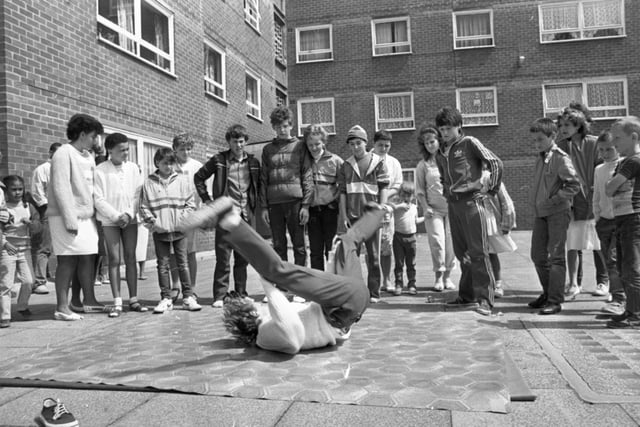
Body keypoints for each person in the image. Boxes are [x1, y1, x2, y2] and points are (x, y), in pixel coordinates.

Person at [178, 196, 389, 354]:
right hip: (343, 307)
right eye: (256, 306)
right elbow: (291, 340)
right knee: (277, 271)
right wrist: (270, 287)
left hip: (350, 302)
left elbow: (320, 295)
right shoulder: (265, 335)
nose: (260, 305)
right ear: (251, 317)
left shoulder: (269, 329)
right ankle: (231, 220)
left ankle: (377, 212)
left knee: (347, 242)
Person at [434, 107, 503, 316]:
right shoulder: (440, 153)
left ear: (459, 127)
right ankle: (467, 296)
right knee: (461, 252)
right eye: (441, 129)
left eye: (448, 129)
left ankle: (485, 300)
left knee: (478, 252)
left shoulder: (469, 143)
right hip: (453, 206)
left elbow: (495, 162)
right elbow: (444, 178)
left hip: (472, 203)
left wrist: (491, 190)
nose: (444, 133)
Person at [194, 124, 260, 308]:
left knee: (242, 258)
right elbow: (199, 177)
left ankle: (241, 293)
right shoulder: (219, 160)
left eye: (241, 141)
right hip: (225, 216)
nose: (238, 145)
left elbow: (258, 187)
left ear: (245, 141)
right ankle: (219, 296)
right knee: (223, 257)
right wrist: (207, 200)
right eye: (234, 142)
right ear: (229, 142)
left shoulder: (253, 163)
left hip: (245, 215)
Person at [48, 113, 105, 320]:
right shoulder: (64, 153)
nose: (95, 141)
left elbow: (90, 187)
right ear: (82, 134)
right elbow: (61, 187)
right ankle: (62, 307)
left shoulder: (87, 155)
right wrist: (69, 219)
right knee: (67, 260)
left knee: (89, 255)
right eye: (93, 136)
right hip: (65, 216)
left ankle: (86, 300)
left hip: (85, 215)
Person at [528, 118, 580, 315]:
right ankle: (548, 292)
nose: (537, 143)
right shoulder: (540, 158)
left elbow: (574, 185)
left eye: (540, 139)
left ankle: (555, 300)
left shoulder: (560, 157)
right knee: (537, 255)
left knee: (556, 256)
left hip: (557, 212)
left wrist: (554, 199)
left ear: (553, 136)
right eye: (534, 140)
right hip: (541, 214)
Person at [140, 147, 200, 313]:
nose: (168, 166)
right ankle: (166, 298)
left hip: (179, 230)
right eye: (165, 163)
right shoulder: (148, 183)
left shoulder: (182, 181)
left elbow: (190, 204)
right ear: (157, 163)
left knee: (183, 263)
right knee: (163, 265)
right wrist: (154, 223)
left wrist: (182, 220)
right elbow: (143, 206)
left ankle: (188, 297)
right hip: (160, 231)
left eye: (171, 163)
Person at [557, 105, 608, 299]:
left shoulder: (594, 143)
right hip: (573, 199)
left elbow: (602, 167)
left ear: (579, 125)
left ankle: (603, 281)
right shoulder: (561, 147)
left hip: (595, 198)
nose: (563, 128)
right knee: (573, 242)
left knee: (599, 242)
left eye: (568, 124)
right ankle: (574, 283)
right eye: (561, 125)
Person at [94, 132, 147, 316]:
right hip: (110, 220)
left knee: (131, 256)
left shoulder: (133, 168)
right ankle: (117, 300)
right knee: (114, 258)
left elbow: (137, 194)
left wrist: (129, 213)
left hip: (130, 218)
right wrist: (116, 216)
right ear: (110, 150)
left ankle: (133, 299)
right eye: (121, 150)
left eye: (127, 149)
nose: (126, 153)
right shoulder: (100, 170)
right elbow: (98, 198)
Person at [338, 125, 390, 303]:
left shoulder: (378, 162)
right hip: (353, 217)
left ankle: (374, 292)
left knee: (374, 256)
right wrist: (344, 215)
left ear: (366, 143)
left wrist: (381, 208)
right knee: (351, 257)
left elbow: (384, 187)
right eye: (351, 144)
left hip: (371, 218)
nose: (355, 147)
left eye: (358, 143)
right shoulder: (346, 165)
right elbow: (343, 193)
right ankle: (354, 292)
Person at [259, 106, 314, 267]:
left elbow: (307, 175)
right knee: (278, 246)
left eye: (285, 126)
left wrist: (306, 205)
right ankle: (282, 284)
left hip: (295, 202)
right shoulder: (267, 149)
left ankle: (300, 285)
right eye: (278, 127)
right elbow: (263, 179)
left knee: (299, 246)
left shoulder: (300, 146)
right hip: (274, 204)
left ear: (291, 125)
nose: (282, 130)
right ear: (274, 128)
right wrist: (263, 207)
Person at [604, 116, 640, 328]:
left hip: (632, 217)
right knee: (623, 265)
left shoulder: (633, 161)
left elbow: (609, 188)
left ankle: (636, 313)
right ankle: (630, 308)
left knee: (631, 266)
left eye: (618, 138)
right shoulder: (624, 161)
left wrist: (612, 184)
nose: (613, 142)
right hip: (623, 218)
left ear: (633, 137)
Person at [415, 125, 456, 292]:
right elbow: (419, 190)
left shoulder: (449, 160)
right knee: (437, 241)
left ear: (439, 141)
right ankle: (438, 276)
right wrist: (425, 207)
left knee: (451, 243)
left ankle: (448, 277)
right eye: (426, 143)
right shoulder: (423, 165)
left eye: (432, 141)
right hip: (433, 210)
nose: (430, 145)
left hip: (452, 209)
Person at [0, 175, 40, 328]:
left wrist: (31, 223)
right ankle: (4, 315)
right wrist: (4, 243)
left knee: (29, 280)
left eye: (20, 189)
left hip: (25, 248)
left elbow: (38, 227)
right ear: (6, 191)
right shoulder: (3, 208)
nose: (17, 192)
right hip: (7, 248)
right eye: (13, 189)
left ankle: (22, 305)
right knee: (6, 283)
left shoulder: (27, 206)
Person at [593, 131, 625, 316]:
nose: (605, 153)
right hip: (604, 221)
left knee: (614, 260)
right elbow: (597, 194)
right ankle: (617, 295)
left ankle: (619, 297)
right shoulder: (599, 169)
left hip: (620, 220)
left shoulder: (623, 165)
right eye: (602, 150)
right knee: (609, 260)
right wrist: (597, 216)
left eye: (609, 149)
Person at [304, 124, 343, 271]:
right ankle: (318, 283)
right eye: (310, 145)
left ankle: (332, 281)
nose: (314, 148)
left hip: (330, 210)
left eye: (317, 144)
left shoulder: (335, 161)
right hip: (312, 210)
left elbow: (343, 185)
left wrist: (335, 199)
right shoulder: (304, 160)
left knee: (331, 249)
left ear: (324, 142)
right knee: (315, 250)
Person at [171, 133, 204, 298]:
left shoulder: (197, 166)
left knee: (190, 252)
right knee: (173, 252)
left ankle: (191, 288)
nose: (186, 152)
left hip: (191, 214)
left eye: (189, 149)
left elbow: (205, 191)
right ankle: (175, 285)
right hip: (172, 215)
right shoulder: (169, 165)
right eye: (182, 149)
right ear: (175, 150)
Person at [372, 130, 403, 293]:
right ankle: (373, 281)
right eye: (380, 145)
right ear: (374, 144)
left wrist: (383, 195)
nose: (383, 148)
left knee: (386, 245)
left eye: (387, 146)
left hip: (385, 211)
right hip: (369, 209)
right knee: (371, 247)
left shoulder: (394, 163)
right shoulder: (366, 160)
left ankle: (386, 279)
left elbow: (397, 186)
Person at [30, 142, 62, 295]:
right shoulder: (42, 169)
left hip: (64, 213)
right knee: (45, 246)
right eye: (56, 154)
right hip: (49, 211)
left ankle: (62, 278)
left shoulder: (64, 170)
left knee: (63, 247)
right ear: (50, 153)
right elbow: (37, 192)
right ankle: (39, 281)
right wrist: (46, 209)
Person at [389, 181, 423, 295]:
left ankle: (412, 284)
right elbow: (389, 208)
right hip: (398, 237)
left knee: (411, 263)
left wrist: (426, 218)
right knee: (399, 263)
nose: (406, 198)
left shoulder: (414, 207)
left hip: (411, 238)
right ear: (399, 195)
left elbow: (416, 221)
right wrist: (399, 206)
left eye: (408, 195)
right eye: (403, 195)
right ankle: (398, 284)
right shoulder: (397, 207)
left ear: (412, 196)